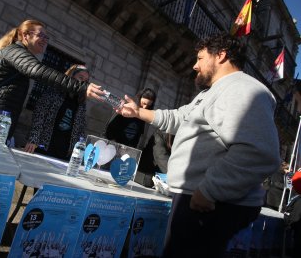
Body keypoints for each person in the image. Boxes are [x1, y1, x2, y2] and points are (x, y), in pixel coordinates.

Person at [116, 32, 280, 257]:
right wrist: (138, 112)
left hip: (211, 204)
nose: (195, 65)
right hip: (197, 197)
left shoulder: (243, 90)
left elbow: (259, 153)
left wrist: (209, 190)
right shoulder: (213, 92)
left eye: (200, 58)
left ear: (221, 55)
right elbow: (179, 118)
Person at [0, 19, 104, 140]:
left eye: (47, 37)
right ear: (25, 36)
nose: (45, 40)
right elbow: (37, 71)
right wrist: (81, 87)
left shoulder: (16, 52)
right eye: (41, 35)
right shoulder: (14, 51)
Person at [24, 64, 90, 160]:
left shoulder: (81, 102)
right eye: (80, 77)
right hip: (44, 146)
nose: (83, 82)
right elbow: (39, 115)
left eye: (86, 81)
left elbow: (81, 128)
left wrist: (79, 150)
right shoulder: (54, 91)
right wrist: (33, 139)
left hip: (65, 152)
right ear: (71, 76)